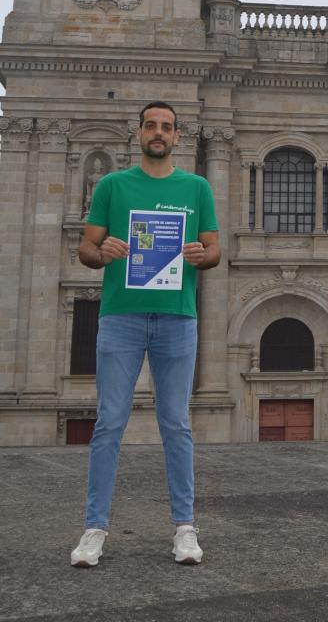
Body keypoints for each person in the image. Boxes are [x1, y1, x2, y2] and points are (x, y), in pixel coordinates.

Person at [70, 102, 220, 568]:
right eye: (152, 126)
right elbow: (86, 249)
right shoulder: (113, 185)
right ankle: (94, 529)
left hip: (178, 317)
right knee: (109, 422)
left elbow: (215, 251)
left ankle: (185, 528)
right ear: (139, 133)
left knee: (176, 424)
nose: (159, 133)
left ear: (178, 136)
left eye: (167, 127)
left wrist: (200, 255)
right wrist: (104, 251)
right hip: (122, 318)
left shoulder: (196, 188)